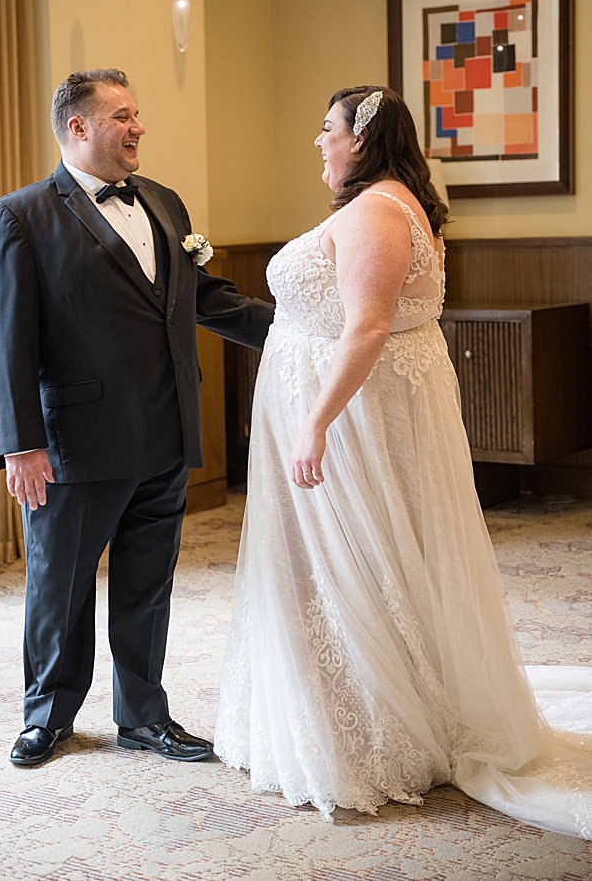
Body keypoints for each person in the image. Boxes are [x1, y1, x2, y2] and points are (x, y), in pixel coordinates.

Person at [214, 86, 592, 837]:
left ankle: (377, 729)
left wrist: (314, 424)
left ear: (362, 137)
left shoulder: (379, 212)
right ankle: (355, 700)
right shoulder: (386, 204)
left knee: (353, 566)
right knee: (363, 562)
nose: (318, 143)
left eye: (326, 130)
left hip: (343, 424)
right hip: (353, 415)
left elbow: (369, 329)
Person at [0, 68, 274, 768]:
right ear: (78, 128)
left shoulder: (165, 203)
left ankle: (144, 715)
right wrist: (20, 445)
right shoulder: (19, 216)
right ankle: (46, 716)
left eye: (137, 114)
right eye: (122, 116)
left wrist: (299, 328)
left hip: (166, 433)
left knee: (149, 584)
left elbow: (205, 297)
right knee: (61, 586)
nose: (138, 127)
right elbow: (2, 338)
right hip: (74, 444)